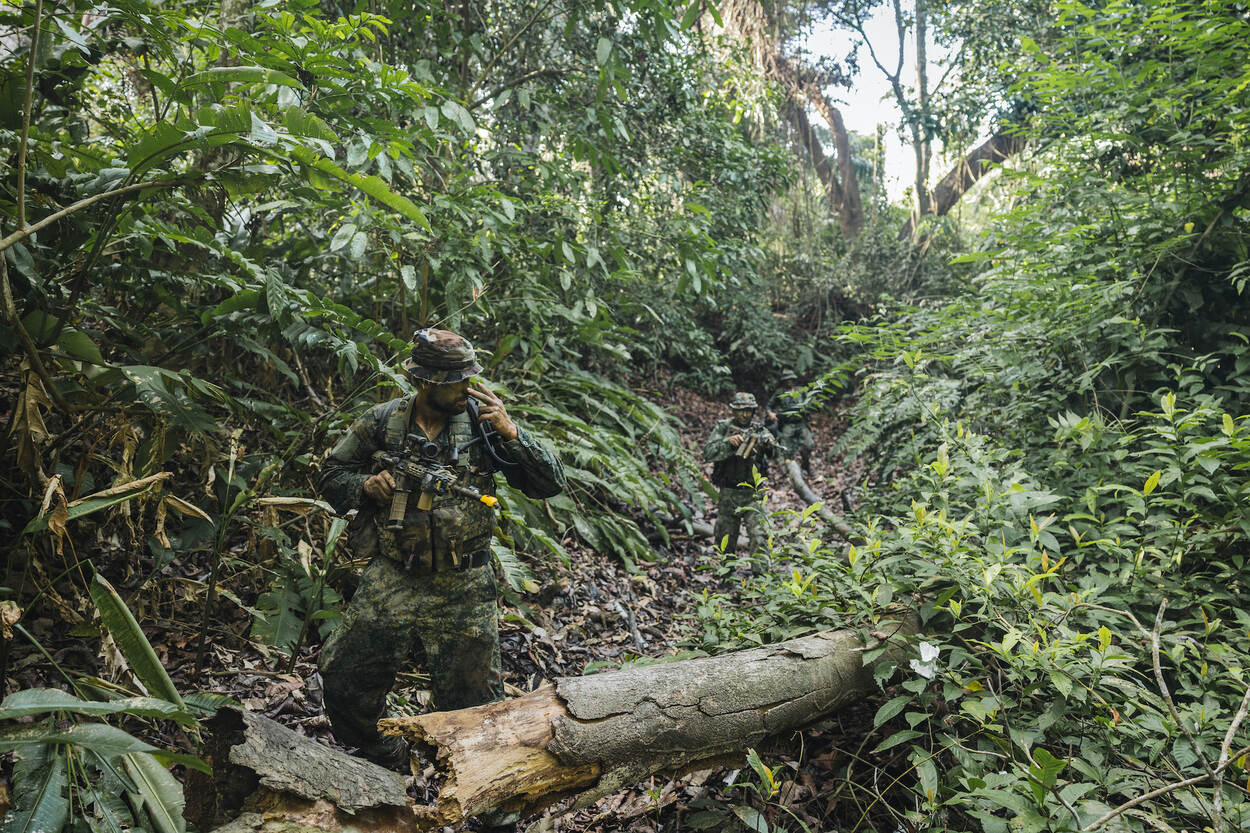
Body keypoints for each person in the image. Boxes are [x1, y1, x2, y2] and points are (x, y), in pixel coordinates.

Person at [316, 328, 565, 770]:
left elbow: (549, 484)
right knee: (345, 675)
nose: (466, 388)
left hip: (464, 580)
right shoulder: (383, 420)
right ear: (424, 381)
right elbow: (330, 475)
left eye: (469, 377)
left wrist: (513, 433)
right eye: (456, 381)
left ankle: (475, 783)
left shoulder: (484, 425)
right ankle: (381, 757)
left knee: (476, 702)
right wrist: (366, 485)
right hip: (395, 573)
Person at [703, 391, 776, 555]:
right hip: (729, 493)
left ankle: (761, 571)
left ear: (753, 411)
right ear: (733, 410)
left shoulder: (760, 430)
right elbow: (708, 453)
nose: (744, 415)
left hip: (753, 493)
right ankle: (727, 571)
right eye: (740, 410)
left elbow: (775, 452)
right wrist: (728, 443)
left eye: (748, 411)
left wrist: (767, 445)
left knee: (759, 537)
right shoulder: (723, 427)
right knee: (725, 540)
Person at [766, 371, 814, 475]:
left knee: (808, 445)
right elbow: (769, 406)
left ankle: (806, 466)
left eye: (791, 379)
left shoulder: (801, 390)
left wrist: (810, 408)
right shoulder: (780, 392)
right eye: (787, 380)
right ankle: (789, 472)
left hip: (801, 423)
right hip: (787, 424)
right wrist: (770, 413)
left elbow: (810, 402)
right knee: (786, 449)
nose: (789, 382)